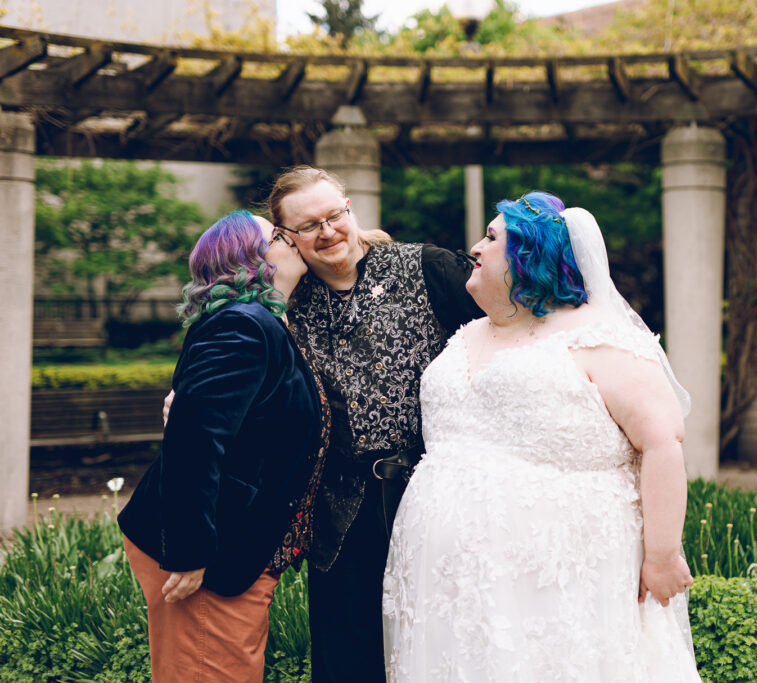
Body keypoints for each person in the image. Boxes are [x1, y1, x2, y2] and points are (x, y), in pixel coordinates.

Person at [382, 192, 703, 681]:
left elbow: (662, 442)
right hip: (447, 586)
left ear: (528, 253)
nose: (475, 247)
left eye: (491, 237)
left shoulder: (599, 338)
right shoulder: (467, 334)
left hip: (560, 578)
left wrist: (661, 555)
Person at [264, 166, 481, 681]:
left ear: (349, 208)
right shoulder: (287, 299)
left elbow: (509, 333)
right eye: (308, 226)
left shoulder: (427, 268)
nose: (327, 232)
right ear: (286, 238)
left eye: (334, 215)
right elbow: (240, 361)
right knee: (349, 658)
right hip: (338, 513)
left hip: (433, 496)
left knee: (436, 645)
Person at [119, 211, 329, 682]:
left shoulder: (262, 322)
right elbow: (196, 440)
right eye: (280, 236)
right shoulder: (243, 326)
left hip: (230, 545)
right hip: (207, 554)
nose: (295, 241)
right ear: (251, 258)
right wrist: (189, 552)